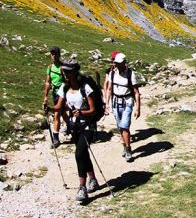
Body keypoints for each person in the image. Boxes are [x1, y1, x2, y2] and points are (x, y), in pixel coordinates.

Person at [46, 58, 100, 202]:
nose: (65, 74)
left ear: (75, 72)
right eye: (64, 72)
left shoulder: (85, 87)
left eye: (68, 72)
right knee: (83, 154)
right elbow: (59, 106)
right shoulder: (64, 88)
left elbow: (93, 110)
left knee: (78, 154)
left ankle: (82, 188)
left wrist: (82, 113)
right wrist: (50, 108)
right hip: (74, 127)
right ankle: (93, 179)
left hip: (88, 126)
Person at [104, 52, 141, 162]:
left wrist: (138, 108)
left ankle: (128, 149)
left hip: (127, 102)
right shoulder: (112, 73)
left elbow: (136, 92)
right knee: (120, 126)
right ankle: (125, 147)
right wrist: (107, 103)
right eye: (116, 63)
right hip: (116, 102)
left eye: (119, 63)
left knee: (124, 125)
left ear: (124, 63)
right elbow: (109, 89)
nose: (117, 65)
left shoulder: (130, 74)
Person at [42, 46, 65, 148]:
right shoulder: (50, 67)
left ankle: (56, 139)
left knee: (57, 114)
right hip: (55, 93)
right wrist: (46, 97)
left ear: (59, 55)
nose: (54, 55)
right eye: (52, 54)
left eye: (55, 53)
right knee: (62, 113)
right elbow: (48, 82)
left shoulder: (62, 67)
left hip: (63, 93)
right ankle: (72, 128)